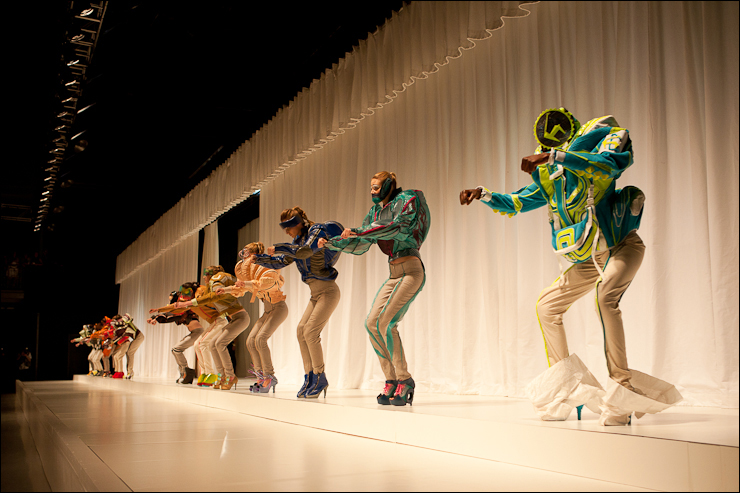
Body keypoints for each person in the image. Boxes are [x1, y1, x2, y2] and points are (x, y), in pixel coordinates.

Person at [459, 107, 681, 425]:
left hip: (621, 246)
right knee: (547, 306)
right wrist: (484, 194)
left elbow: (610, 164)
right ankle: (567, 388)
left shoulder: (596, 144)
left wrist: (556, 158)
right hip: (589, 258)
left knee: (605, 299)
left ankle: (623, 390)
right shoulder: (554, 178)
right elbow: (519, 201)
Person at [320, 172, 430, 406]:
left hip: (411, 270)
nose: (372, 191)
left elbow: (394, 227)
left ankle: (405, 379)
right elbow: (362, 242)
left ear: (389, 185)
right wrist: (332, 243)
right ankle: (391, 379)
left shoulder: (407, 200)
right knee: (372, 323)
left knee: (387, 323)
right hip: (394, 273)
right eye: (371, 187)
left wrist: (359, 230)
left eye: (376, 187)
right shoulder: (375, 213)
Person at [252, 207, 343, 399]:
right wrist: (257, 259)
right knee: (301, 331)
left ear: (299, 223)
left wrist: (279, 247)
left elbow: (304, 252)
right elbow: (281, 262)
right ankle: (310, 377)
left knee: (310, 332)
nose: (287, 231)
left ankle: (320, 377)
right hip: (315, 293)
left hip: (327, 291)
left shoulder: (316, 231)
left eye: (288, 227)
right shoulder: (296, 242)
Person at [167, 266, 249, 391]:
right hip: (230, 319)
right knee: (211, 345)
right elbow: (203, 300)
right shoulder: (211, 289)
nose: (204, 277)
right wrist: (159, 312)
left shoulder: (214, 288)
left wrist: (239, 283)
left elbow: (206, 298)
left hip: (235, 318)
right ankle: (220, 376)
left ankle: (228, 376)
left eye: (206, 274)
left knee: (214, 344)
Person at [224, 242, 289, 394]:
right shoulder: (249, 271)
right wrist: (225, 290)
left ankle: (269, 376)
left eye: (247, 252)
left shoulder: (265, 267)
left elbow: (265, 283)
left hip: (278, 308)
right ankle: (260, 376)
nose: (244, 254)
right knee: (250, 341)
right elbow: (241, 288)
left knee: (260, 339)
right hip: (268, 310)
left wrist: (245, 283)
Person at [148, 282, 204, 385]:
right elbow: (170, 313)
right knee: (176, 350)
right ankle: (185, 373)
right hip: (195, 332)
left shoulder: (185, 308)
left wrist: (156, 318)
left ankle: (186, 372)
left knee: (176, 349)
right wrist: (154, 317)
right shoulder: (183, 308)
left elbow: (172, 315)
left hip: (198, 332)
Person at [110, 313, 145, 379]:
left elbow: (128, 317)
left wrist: (117, 322)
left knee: (130, 353)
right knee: (128, 353)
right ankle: (129, 372)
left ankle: (130, 372)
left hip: (139, 336)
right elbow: (118, 336)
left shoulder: (125, 322)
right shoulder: (122, 327)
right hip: (136, 337)